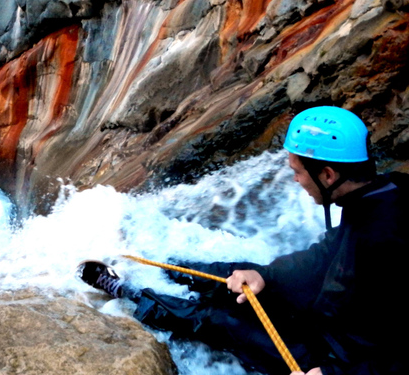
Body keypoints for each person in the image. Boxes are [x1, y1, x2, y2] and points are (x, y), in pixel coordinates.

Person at [79, 106, 407, 375]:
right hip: (334, 313)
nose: (294, 179)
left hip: (340, 353)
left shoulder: (386, 233)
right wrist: (266, 276)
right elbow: (325, 256)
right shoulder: (382, 194)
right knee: (234, 273)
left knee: (219, 319)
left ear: (328, 175)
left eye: (298, 171)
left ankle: (127, 290)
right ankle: (163, 267)